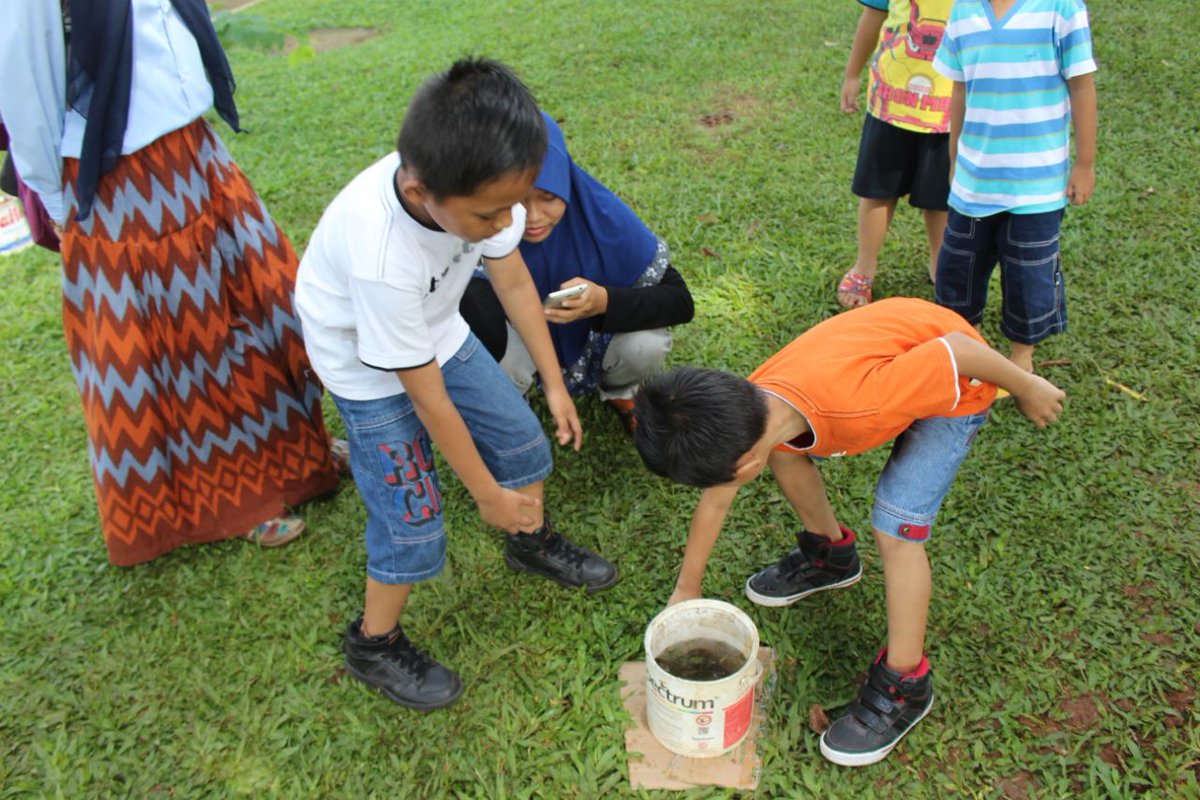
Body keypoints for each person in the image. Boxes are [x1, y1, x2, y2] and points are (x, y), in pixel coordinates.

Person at [295, 58, 619, 711]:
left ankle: (529, 544)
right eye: (490, 214)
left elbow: (515, 283)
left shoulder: (483, 196)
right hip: (368, 367)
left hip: (434, 329)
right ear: (419, 193)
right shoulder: (383, 254)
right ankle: (374, 642)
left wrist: (554, 384)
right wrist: (487, 497)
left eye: (515, 205)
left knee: (525, 446)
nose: (507, 224)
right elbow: (427, 400)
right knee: (412, 523)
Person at [631, 298, 1066, 766]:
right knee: (784, 448)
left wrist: (1026, 386)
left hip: (958, 385)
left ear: (743, 466)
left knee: (896, 528)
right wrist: (686, 588)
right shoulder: (754, 405)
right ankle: (832, 556)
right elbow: (716, 500)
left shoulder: (859, 403)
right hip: (901, 347)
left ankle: (907, 682)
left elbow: (960, 349)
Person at [0, 0, 339, 564]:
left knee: (262, 300)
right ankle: (236, 499)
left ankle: (303, 457)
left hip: (193, 146)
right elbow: (23, 77)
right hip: (115, 175)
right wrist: (54, 194)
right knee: (187, 342)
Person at [459, 112, 693, 432]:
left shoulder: (602, 216)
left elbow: (679, 301)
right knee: (487, 354)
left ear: (565, 183)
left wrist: (603, 301)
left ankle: (620, 392)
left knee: (645, 344)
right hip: (516, 341)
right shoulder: (476, 229)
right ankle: (512, 406)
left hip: (591, 335)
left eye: (549, 197)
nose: (534, 217)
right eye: (516, 202)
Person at [932, 0, 1098, 372]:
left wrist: (1085, 164)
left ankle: (1021, 358)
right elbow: (960, 90)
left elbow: (1082, 86)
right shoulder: (964, 11)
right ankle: (967, 348)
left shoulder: (1061, 8)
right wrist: (955, 155)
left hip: (1036, 186)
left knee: (1030, 276)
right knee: (958, 269)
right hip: (974, 182)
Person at [837, 0, 954, 308]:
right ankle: (864, 267)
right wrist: (852, 73)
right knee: (877, 192)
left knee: (940, 199)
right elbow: (872, 16)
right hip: (890, 104)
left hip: (949, 112)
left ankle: (940, 263)